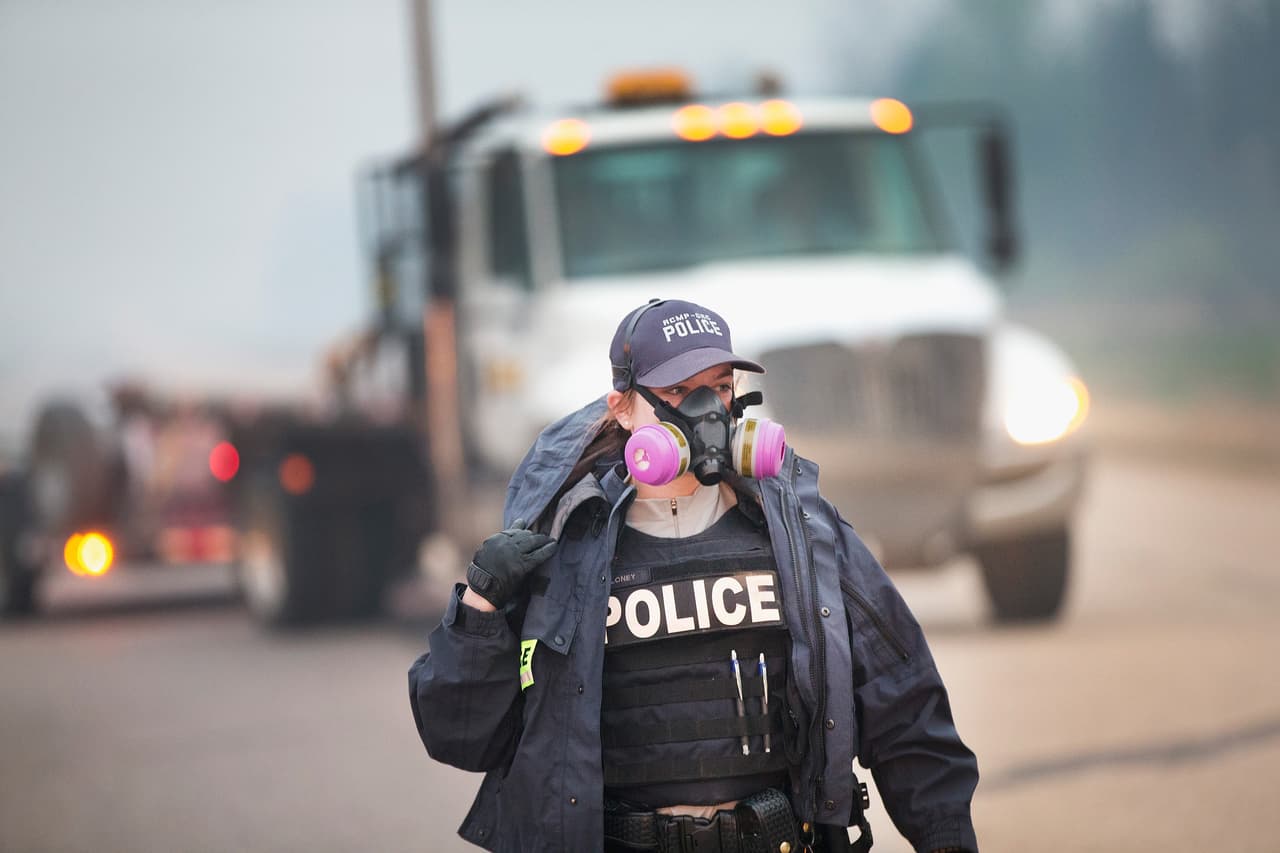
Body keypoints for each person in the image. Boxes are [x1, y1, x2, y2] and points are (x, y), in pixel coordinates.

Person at [409, 298, 979, 853]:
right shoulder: (561, 545)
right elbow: (459, 735)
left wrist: (946, 837)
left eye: (721, 387)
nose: (707, 408)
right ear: (622, 407)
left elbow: (904, 703)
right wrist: (481, 606)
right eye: (678, 391)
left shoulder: (802, 532)